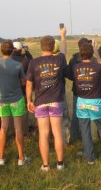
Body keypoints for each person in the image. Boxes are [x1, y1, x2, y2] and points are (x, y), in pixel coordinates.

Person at [26, 32, 68, 171]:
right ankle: (60, 163)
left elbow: (29, 84)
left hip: (40, 102)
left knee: (43, 134)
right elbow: (64, 50)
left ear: (41, 47)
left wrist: (29, 101)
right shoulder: (60, 59)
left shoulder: (34, 62)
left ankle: (45, 165)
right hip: (55, 101)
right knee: (57, 132)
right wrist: (63, 36)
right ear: (53, 46)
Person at [73, 42, 101, 164]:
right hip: (95, 101)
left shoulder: (76, 67)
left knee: (85, 130)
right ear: (92, 54)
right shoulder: (97, 66)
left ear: (81, 54)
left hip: (81, 101)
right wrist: (96, 49)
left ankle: (89, 157)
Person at [0, 41, 30, 166]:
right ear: (12, 50)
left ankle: (1, 157)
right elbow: (23, 81)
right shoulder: (18, 65)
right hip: (17, 99)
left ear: (1, 50)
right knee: (18, 127)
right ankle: (21, 158)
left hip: (2, 100)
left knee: (3, 127)